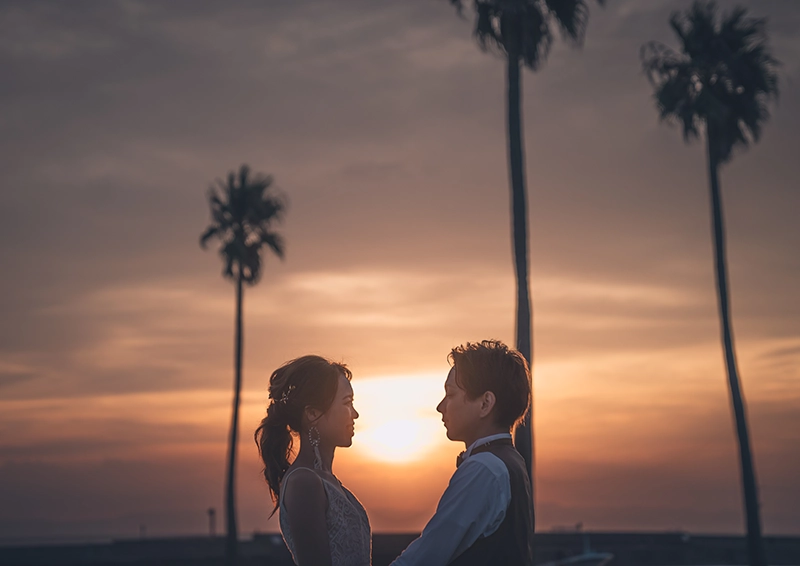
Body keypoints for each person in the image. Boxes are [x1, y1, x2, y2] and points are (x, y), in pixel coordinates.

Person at [391, 339, 535, 566]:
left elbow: (427, 556)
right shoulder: (511, 462)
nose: (441, 406)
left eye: (451, 394)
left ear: (485, 403)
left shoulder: (484, 468)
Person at [254, 355, 371, 566]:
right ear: (312, 414)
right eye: (347, 403)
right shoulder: (304, 482)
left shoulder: (328, 480)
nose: (355, 414)